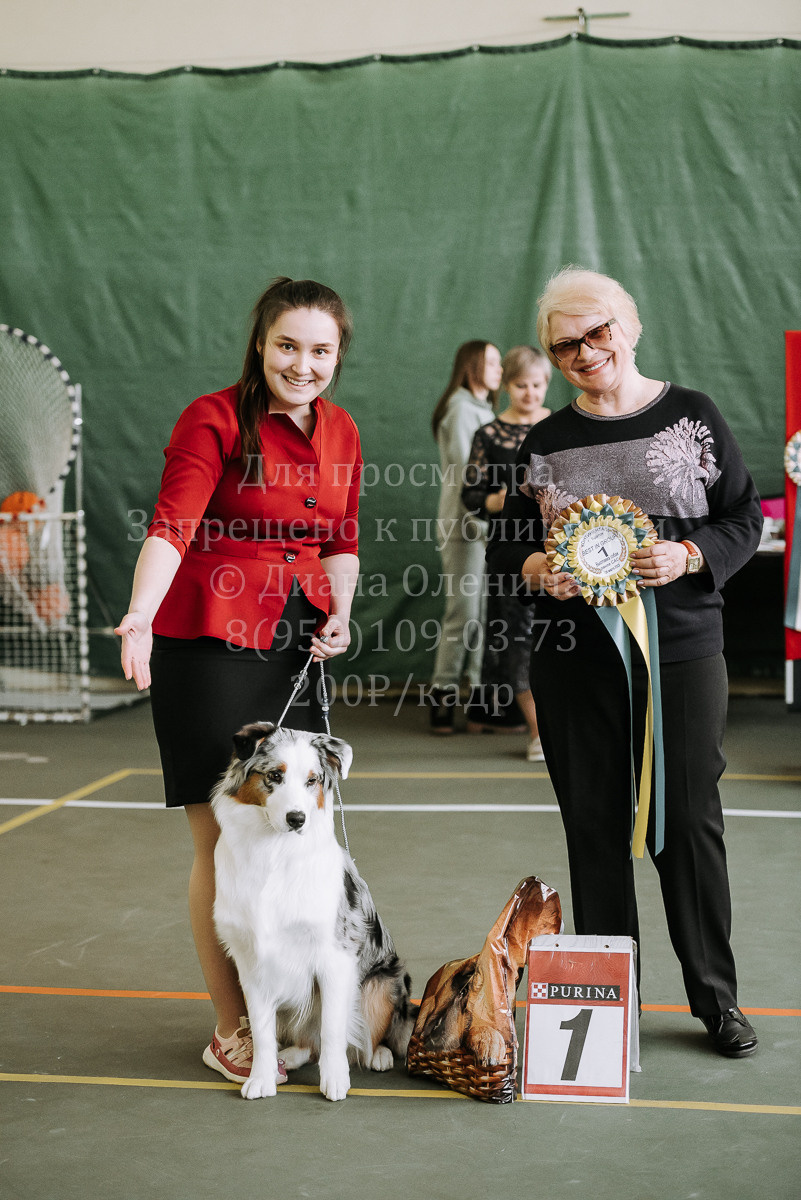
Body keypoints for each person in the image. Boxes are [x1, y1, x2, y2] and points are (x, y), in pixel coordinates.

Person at [487, 267, 762, 1057]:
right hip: (573, 662)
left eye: (597, 332)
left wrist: (687, 554)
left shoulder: (692, 414)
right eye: (563, 344)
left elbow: (741, 517)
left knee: (688, 822)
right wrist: (541, 570)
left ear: (630, 327)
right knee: (593, 827)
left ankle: (715, 999)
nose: (583, 351)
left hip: (681, 654)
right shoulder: (543, 441)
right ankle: (609, 1012)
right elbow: (508, 547)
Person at [115, 277, 362, 1085]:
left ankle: (292, 1017)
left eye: (320, 350)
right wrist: (140, 615)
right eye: (287, 345)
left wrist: (339, 613)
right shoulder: (212, 418)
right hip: (208, 640)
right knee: (224, 840)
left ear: (337, 356)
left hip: (297, 644)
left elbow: (342, 539)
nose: (302, 364)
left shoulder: (342, 431)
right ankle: (231, 1030)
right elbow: (173, 524)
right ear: (260, 345)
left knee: (300, 836)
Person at [462, 346, 552, 760]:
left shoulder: (560, 427)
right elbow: (471, 495)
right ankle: (538, 732)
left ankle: (566, 725)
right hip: (512, 552)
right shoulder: (490, 435)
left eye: (536, 384)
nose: (529, 393)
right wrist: (501, 500)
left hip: (562, 547)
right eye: (520, 385)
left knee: (563, 636)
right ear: (507, 386)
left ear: (547, 384)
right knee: (516, 639)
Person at [428, 340, 502, 733]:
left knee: (483, 614)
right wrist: (481, 526)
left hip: (484, 528)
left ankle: (477, 700)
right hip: (464, 527)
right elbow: (465, 476)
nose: (499, 370)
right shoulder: (460, 409)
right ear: (472, 365)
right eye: (492, 362)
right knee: (464, 614)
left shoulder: (485, 411)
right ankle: (441, 698)